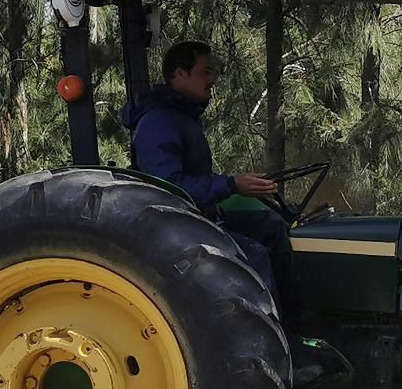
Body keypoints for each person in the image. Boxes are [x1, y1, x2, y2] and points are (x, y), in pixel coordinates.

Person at [119, 39, 303, 334]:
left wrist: (234, 185)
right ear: (180, 74)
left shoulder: (181, 115)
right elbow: (168, 187)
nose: (212, 79)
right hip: (174, 225)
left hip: (198, 215)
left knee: (272, 226)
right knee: (253, 254)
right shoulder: (159, 121)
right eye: (205, 72)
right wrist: (231, 184)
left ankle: (296, 328)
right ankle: (268, 341)